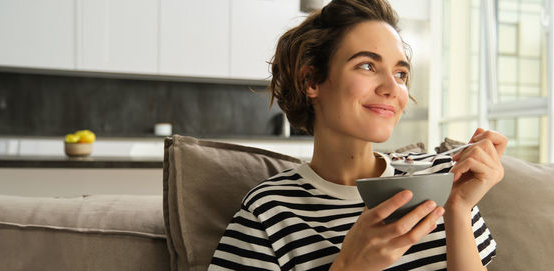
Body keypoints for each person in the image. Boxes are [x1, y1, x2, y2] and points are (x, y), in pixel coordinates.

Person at [210, 0, 508, 270]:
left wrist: (458, 210)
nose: (392, 88)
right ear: (311, 80)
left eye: (401, 73)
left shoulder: (443, 179)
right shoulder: (269, 211)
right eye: (367, 66)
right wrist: (349, 266)